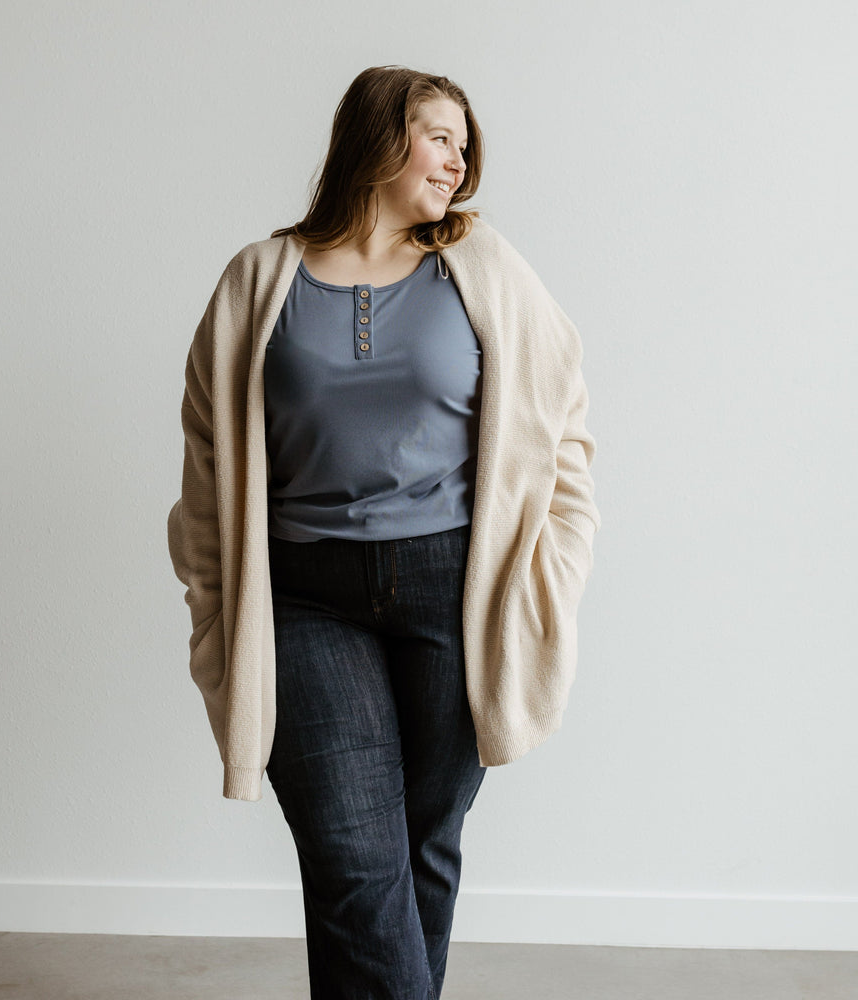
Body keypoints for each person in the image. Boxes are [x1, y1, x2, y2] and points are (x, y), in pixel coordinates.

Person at [168, 65, 601, 1000]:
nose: (458, 160)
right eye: (438, 135)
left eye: (462, 143)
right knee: (355, 858)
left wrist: (552, 563)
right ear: (377, 137)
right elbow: (207, 463)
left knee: (419, 849)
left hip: (457, 588)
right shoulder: (259, 278)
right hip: (306, 595)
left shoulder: (481, 268)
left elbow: (562, 420)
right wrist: (212, 606)